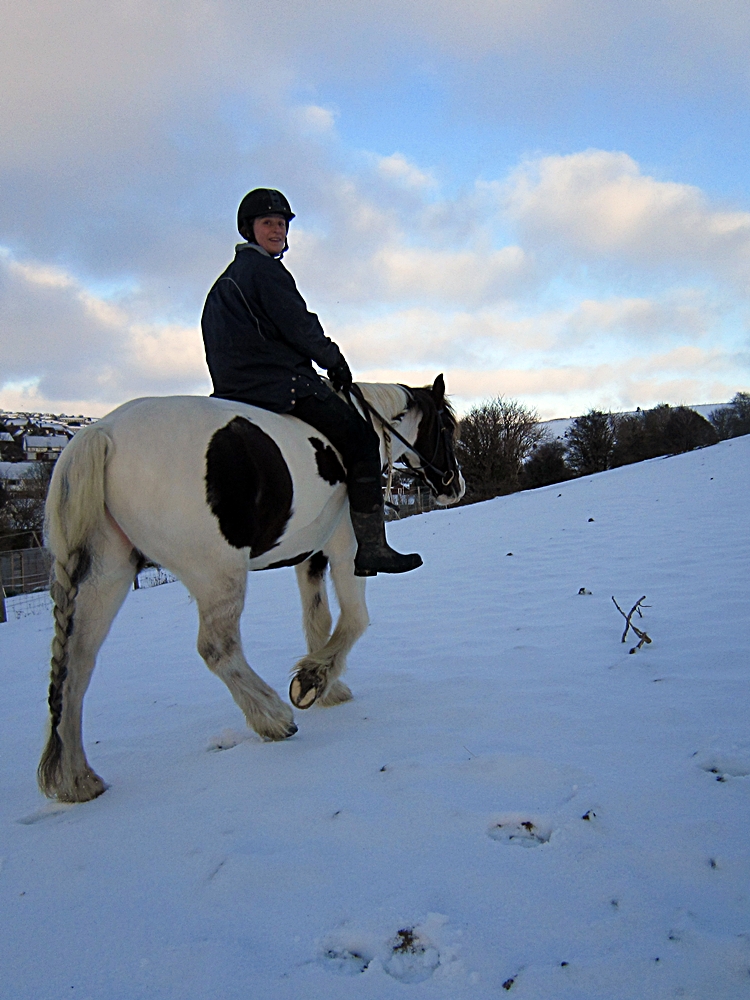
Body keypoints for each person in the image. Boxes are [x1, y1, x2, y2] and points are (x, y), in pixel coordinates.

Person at [201, 187, 422, 575]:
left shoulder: (222, 285)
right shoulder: (265, 272)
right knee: (362, 440)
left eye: (282, 223)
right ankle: (372, 548)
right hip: (279, 385)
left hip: (230, 391)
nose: (277, 230)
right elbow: (300, 326)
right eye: (268, 223)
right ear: (248, 229)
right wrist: (334, 361)